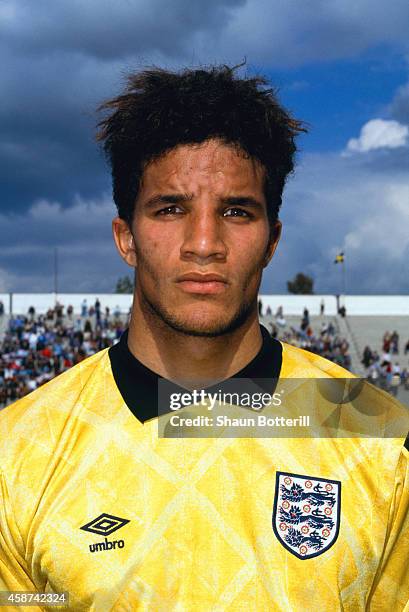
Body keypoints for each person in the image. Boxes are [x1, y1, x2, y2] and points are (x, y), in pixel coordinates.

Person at [0, 65, 408, 610]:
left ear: (272, 241)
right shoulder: (17, 454)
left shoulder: (380, 437)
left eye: (237, 211)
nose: (204, 242)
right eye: (171, 209)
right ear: (126, 238)